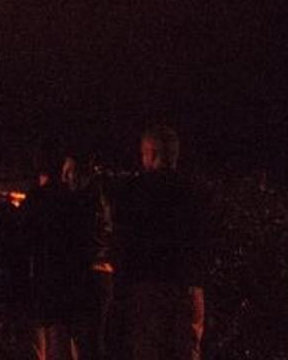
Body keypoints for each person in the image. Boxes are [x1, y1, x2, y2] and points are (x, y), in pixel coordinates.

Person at [113, 125, 206, 360]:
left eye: (144, 154)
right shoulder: (194, 190)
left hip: (148, 287)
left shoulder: (135, 191)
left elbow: (124, 240)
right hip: (187, 285)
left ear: (152, 153)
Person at [18, 141, 97, 360]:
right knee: (63, 343)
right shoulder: (74, 201)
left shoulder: (34, 201)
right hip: (68, 285)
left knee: (44, 345)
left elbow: (22, 244)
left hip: (42, 283)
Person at [60, 153, 114, 360]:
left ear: (81, 173)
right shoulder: (99, 198)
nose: (64, 178)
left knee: (87, 343)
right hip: (100, 275)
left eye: (69, 172)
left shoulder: (84, 203)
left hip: (89, 278)